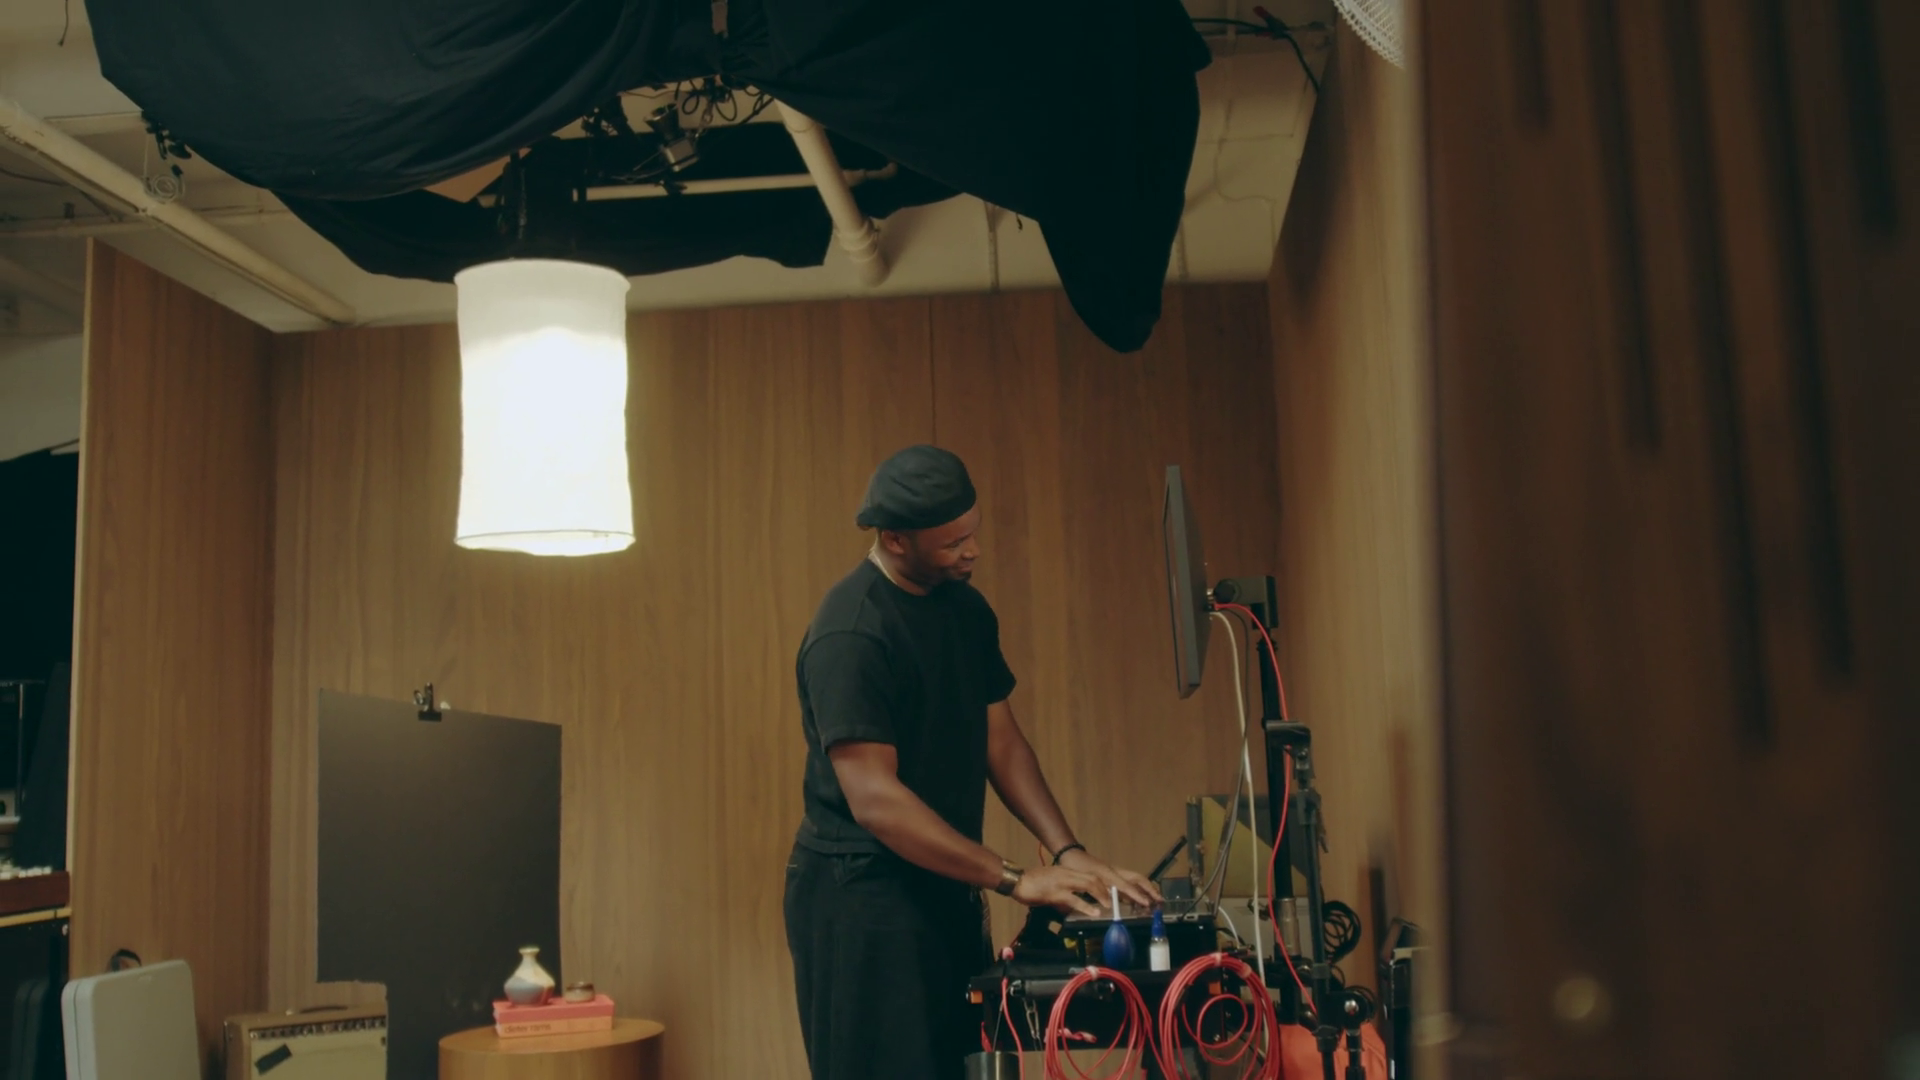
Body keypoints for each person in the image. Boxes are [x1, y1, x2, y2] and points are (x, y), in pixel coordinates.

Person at [784, 444, 1162, 1080]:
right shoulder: (850, 634)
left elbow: (1001, 742)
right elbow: (875, 800)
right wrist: (1014, 879)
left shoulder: (965, 609)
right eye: (952, 543)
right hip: (863, 898)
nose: (973, 552)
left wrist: (1067, 850)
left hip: (944, 885)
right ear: (895, 540)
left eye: (973, 533)